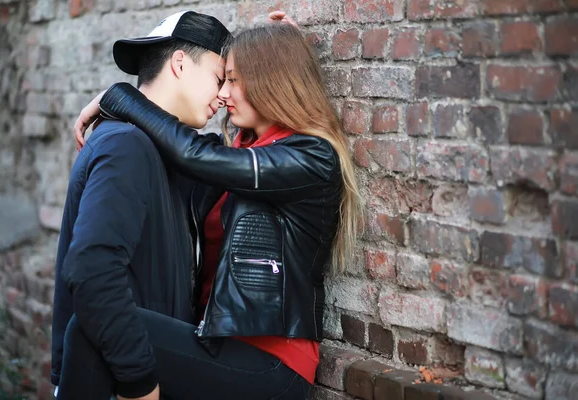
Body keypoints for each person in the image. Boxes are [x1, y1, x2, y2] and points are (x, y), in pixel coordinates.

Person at [70, 21, 363, 400]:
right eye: (222, 80)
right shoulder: (242, 152)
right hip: (217, 343)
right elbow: (182, 146)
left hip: (272, 363)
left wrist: (120, 97)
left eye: (234, 80)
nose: (223, 94)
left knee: (88, 330)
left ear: (269, 81)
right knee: (101, 327)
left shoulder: (311, 157)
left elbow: (193, 153)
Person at [52, 11, 232, 400]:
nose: (223, 95)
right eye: (220, 79)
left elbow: (240, 161)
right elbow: (92, 269)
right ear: (180, 64)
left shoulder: (165, 155)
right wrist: (138, 379)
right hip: (113, 383)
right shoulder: (126, 146)